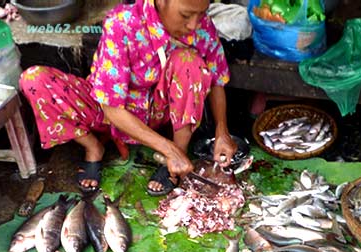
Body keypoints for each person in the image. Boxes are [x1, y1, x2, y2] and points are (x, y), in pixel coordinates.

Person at [18, 0, 237, 195]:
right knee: (34, 79)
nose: (194, 25)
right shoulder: (122, 24)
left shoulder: (202, 26)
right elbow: (111, 108)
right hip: (108, 112)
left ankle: (176, 157)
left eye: (201, 14)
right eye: (186, 15)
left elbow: (217, 78)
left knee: (190, 61)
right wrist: (166, 147)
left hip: (157, 110)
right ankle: (93, 147)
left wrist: (222, 131)